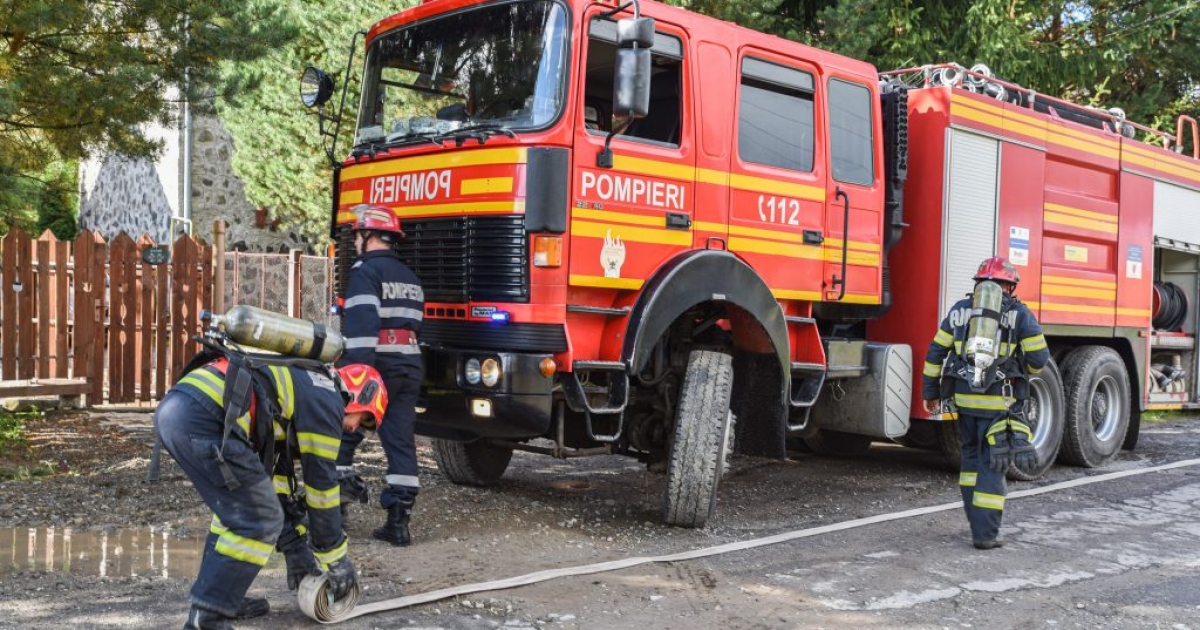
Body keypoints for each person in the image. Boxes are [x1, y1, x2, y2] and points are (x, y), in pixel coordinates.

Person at [155, 347, 388, 630]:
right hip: (205, 416)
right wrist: (336, 560)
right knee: (257, 518)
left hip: (180, 407)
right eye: (363, 419)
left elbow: (275, 484)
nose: (355, 429)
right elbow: (322, 490)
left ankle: (225, 597)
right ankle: (208, 617)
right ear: (358, 395)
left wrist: (294, 547)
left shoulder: (307, 389)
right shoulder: (327, 401)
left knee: (238, 512)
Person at [921, 256, 1050, 550]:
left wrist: (930, 393)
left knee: (970, 464)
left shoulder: (959, 311)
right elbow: (1039, 359)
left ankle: (975, 522)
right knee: (993, 465)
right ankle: (986, 534)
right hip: (999, 406)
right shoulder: (1019, 314)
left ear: (979, 283)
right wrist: (1020, 368)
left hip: (964, 404)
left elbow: (935, 353)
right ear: (1010, 286)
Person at [336, 203, 425, 547]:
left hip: (377, 366)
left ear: (368, 235)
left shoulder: (365, 272)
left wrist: (355, 388)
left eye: (358, 235)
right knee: (400, 440)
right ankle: (398, 524)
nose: (356, 241)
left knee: (343, 433)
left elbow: (361, 334)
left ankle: (335, 516)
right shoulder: (410, 277)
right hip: (409, 365)